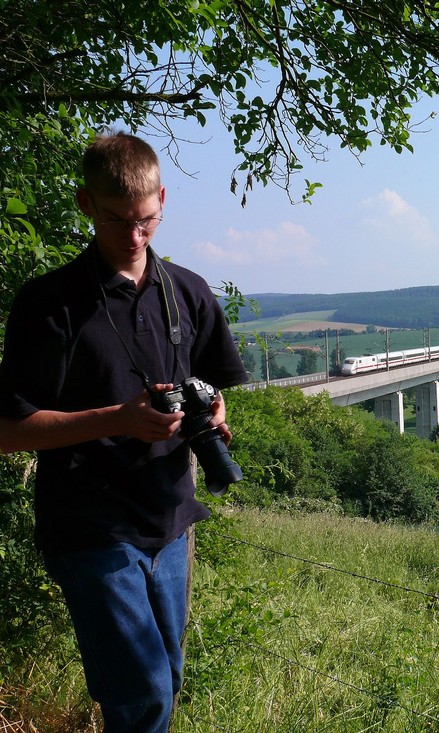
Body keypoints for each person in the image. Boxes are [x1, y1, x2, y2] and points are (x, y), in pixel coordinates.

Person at [0, 132, 247, 731]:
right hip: (92, 528)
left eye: (148, 220)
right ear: (86, 205)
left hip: (171, 520)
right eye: (118, 222)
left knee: (166, 682)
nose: (136, 238)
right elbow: (7, 431)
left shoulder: (187, 291)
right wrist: (117, 419)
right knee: (142, 696)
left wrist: (215, 415)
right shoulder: (49, 305)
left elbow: (214, 395)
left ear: (162, 199)